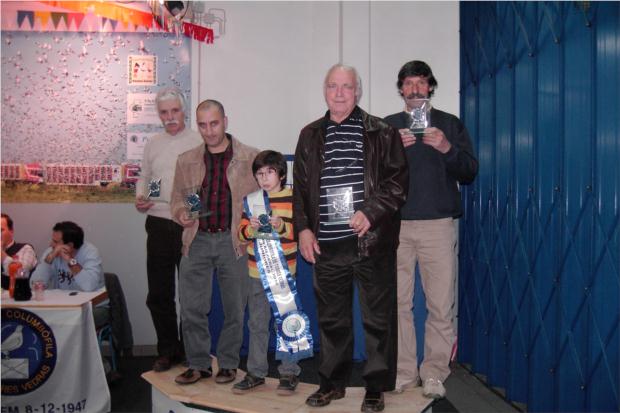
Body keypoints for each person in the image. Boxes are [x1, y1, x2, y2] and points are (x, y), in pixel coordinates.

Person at [293, 64, 408, 412]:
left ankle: (375, 387)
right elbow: (300, 189)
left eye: (346, 86)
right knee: (332, 321)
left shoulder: (382, 132)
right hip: (326, 245)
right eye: (333, 86)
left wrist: (370, 211)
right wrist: (303, 228)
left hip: (371, 242)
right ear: (325, 91)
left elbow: (398, 184)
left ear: (357, 91)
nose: (339, 93)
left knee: (377, 320)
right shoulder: (309, 134)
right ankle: (331, 384)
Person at [384, 60, 478, 399]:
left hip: (438, 226)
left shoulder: (449, 124)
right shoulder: (387, 126)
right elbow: (370, 175)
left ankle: (435, 373)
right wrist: (390, 149)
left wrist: (446, 148)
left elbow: (469, 171)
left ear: (430, 87)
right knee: (397, 304)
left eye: (421, 83)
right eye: (408, 83)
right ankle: (403, 372)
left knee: (440, 304)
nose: (414, 90)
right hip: (395, 225)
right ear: (401, 89)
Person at [170, 99, 259, 385]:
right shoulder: (186, 160)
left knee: (235, 308)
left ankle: (229, 363)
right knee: (191, 308)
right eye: (203, 125)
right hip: (196, 240)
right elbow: (178, 199)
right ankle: (198, 364)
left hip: (234, 242)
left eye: (214, 124)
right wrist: (182, 213)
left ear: (225, 122)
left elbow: (261, 202)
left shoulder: (251, 158)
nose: (209, 131)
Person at [135, 86, 202, 372]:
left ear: (183, 111)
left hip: (188, 225)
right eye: (164, 112)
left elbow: (202, 182)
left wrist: (193, 213)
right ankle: (167, 350)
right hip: (159, 223)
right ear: (159, 115)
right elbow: (150, 176)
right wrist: (145, 197)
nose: (170, 117)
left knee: (191, 294)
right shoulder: (154, 143)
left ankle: (190, 350)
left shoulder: (198, 140)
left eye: (175, 110)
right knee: (159, 293)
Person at [234, 150, 303, 395]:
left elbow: (301, 232)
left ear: (282, 174)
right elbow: (241, 234)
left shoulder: (294, 198)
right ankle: (256, 372)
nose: (264, 178)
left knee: (287, 323)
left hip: (284, 271)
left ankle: (289, 372)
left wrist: (282, 226)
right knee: (257, 323)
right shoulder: (251, 200)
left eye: (270, 172)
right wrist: (250, 229)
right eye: (260, 173)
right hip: (256, 272)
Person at [30, 221, 108, 326]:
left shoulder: (90, 252)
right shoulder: (51, 252)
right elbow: (34, 285)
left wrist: (69, 259)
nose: (51, 244)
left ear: (69, 245)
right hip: (65, 306)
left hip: (94, 307)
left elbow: (89, 286)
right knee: (38, 320)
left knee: (68, 323)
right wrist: (48, 261)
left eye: (55, 242)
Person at [1, 213, 38, 290]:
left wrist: (2, 254)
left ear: (11, 231)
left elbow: (22, 274)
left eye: (1, 230)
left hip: (17, 295)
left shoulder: (26, 249)